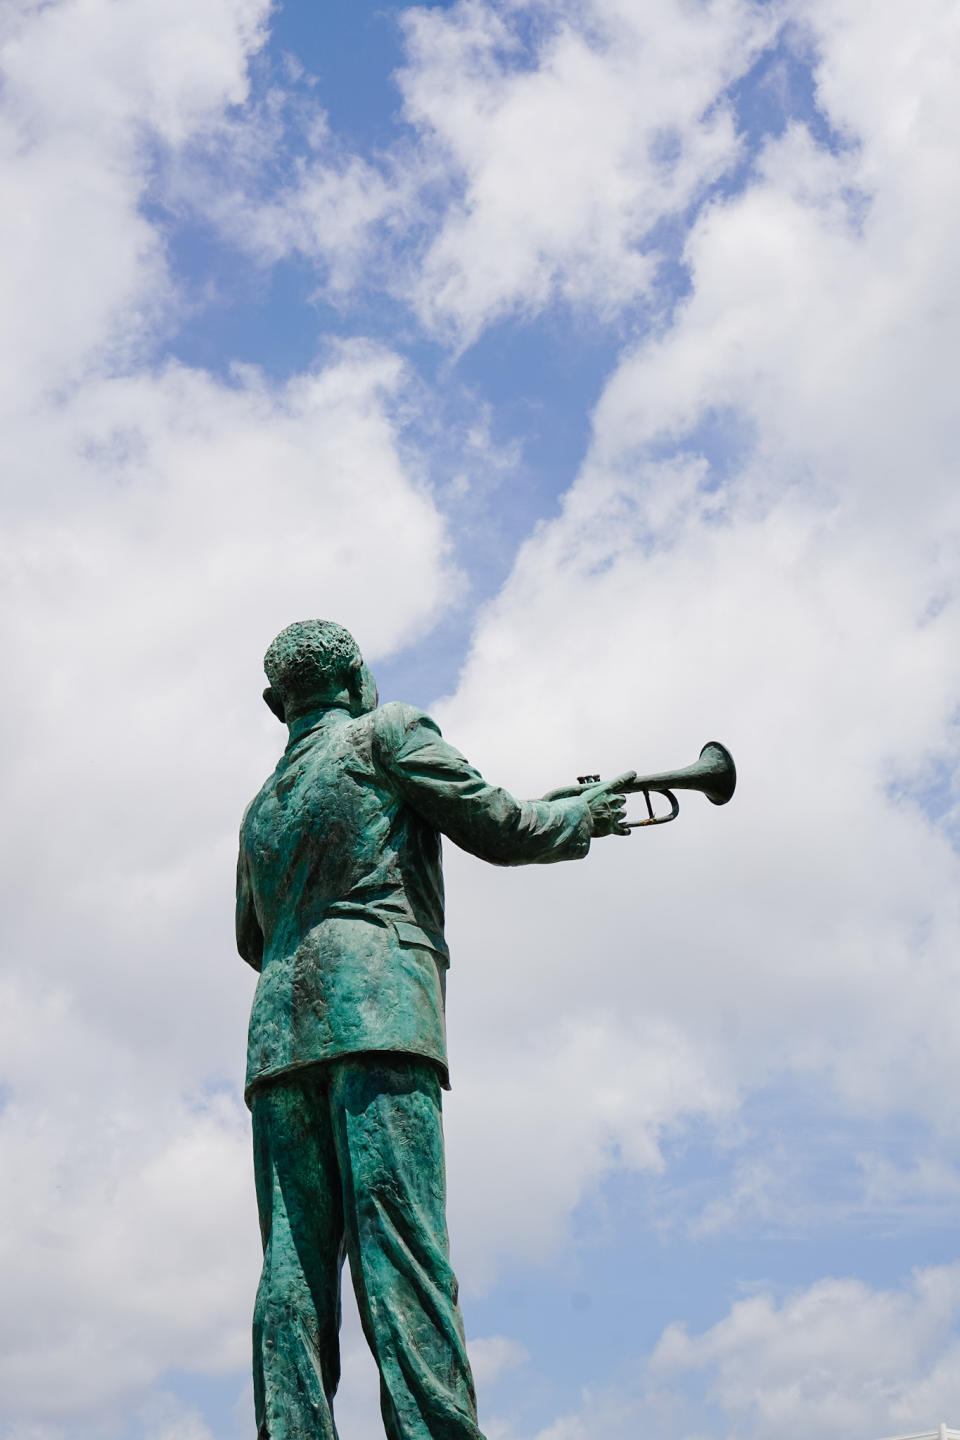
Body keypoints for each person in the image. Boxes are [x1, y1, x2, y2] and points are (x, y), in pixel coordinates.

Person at [236, 619, 631, 1440]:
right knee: (401, 1245)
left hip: (278, 1034)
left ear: (279, 703)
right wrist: (582, 817)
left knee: (292, 1267)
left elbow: (251, 933)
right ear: (356, 678)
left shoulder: (259, 809)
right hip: (377, 1008)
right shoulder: (390, 731)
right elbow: (502, 827)